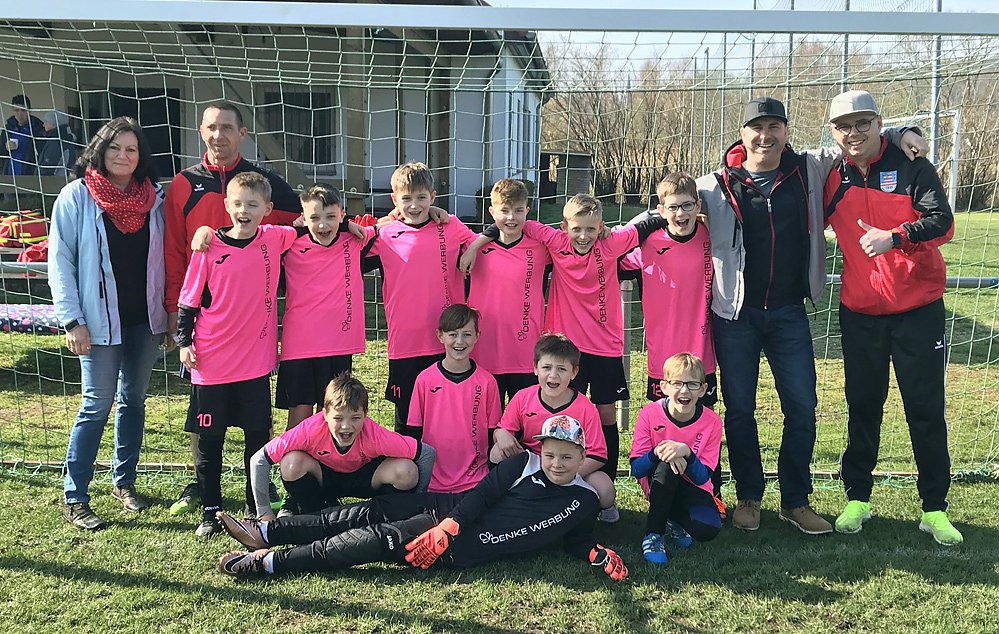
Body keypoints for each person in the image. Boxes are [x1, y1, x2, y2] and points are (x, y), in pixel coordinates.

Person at [697, 96, 928, 534]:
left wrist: (902, 133)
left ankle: (795, 500)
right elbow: (669, 206)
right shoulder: (714, 185)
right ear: (742, 134)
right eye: (756, 128)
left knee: (802, 408)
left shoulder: (810, 167)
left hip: (789, 313)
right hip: (736, 317)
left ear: (786, 131)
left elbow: (857, 140)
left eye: (774, 127)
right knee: (740, 410)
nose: (765, 136)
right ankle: (748, 496)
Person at [215, 414, 628, 583]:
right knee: (356, 515)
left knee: (369, 541)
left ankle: (270, 563)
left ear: (582, 458)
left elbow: (572, 537)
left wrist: (594, 553)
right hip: (446, 512)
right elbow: (482, 496)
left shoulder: (586, 498)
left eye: (566, 457)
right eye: (551, 453)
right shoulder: (523, 463)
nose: (556, 463)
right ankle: (267, 532)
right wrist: (448, 525)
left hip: (456, 546)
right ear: (541, 449)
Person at [465, 193, 668, 522]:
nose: (583, 236)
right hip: (564, 348)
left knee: (604, 415)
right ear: (564, 227)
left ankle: (602, 490)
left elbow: (645, 225)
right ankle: (541, 484)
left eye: (591, 229)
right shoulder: (554, 241)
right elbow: (515, 222)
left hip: (604, 346)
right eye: (577, 229)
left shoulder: (612, 243)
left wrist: (674, 216)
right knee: (556, 413)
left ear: (601, 227)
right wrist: (476, 244)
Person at [822, 90, 962, 546]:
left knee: (925, 409)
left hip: (918, 311)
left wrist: (896, 236)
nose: (854, 133)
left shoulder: (911, 164)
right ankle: (857, 499)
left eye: (863, 122)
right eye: (844, 126)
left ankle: (934, 508)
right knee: (863, 407)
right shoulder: (830, 174)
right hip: (860, 313)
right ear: (833, 132)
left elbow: (942, 221)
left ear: (879, 123)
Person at [165, 101, 301, 517]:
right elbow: (172, 248)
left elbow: (309, 218)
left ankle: (257, 487)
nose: (218, 135)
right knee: (204, 419)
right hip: (206, 330)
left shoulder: (266, 183)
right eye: (211, 127)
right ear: (200, 131)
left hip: (253, 339)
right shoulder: (184, 183)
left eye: (227, 127)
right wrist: (176, 317)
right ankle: (202, 484)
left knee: (254, 424)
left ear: (242, 133)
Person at [49, 116, 170, 530]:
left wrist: (167, 315)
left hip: (144, 322)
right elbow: (60, 263)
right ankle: (75, 496)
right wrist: (72, 320)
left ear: (141, 156)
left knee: (133, 401)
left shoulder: (155, 199)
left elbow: (165, 259)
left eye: (131, 149)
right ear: (99, 151)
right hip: (96, 323)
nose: (123, 155)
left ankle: (124, 481)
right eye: (115, 147)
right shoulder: (76, 196)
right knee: (95, 406)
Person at [620, 172, 724, 513]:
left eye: (688, 205)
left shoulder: (710, 236)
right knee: (662, 427)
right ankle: (660, 499)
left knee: (703, 424)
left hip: (701, 355)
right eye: (673, 207)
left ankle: (709, 493)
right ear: (661, 209)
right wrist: (643, 223)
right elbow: (613, 253)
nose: (681, 214)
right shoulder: (648, 243)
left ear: (698, 205)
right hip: (662, 360)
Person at [362, 162, 478, 431]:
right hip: (405, 342)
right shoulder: (385, 234)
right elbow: (347, 240)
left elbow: (486, 244)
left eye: (421, 198)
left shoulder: (451, 226)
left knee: (446, 413)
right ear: (394, 199)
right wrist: (383, 221)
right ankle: (405, 458)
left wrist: (472, 249)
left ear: (433, 197)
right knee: (407, 417)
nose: (414, 205)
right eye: (406, 199)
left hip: (447, 340)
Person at [247, 373, 435, 518]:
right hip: (325, 479)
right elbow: (259, 459)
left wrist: (419, 501)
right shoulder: (310, 429)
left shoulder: (374, 434)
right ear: (325, 414)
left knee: (407, 471)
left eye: (355, 418)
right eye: (338, 418)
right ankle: (314, 512)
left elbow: (426, 453)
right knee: (290, 463)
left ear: (365, 415)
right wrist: (264, 513)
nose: (346, 426)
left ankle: (385, 514)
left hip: (365, 479)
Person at [276, 184, 375, 431]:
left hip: (338, 343)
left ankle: (327, 457)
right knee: (300, 416)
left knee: (332, 413)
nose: (323, 225)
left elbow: (394, 222)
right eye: (314, 218)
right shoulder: (289, 243)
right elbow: (254, 235)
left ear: (341, 214)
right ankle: (294, 457)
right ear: (303, 217)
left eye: (331, 216)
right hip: (299, 345)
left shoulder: (355, 240)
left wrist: (347, 225)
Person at [490, 333, 617, 522]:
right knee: (496, 452)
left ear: (574, 372)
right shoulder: (523, 398)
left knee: (605, 489)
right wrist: (501, 434)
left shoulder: (585, 408)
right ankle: (501, 500)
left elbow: (598, 456)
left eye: (562, 369)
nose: (553, 375)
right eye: (547, 367)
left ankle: (597, 510)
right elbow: (503, 430)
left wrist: (564, 473)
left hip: (569, 466)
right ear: (535, 368)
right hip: (533, 463)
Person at [630, 353, 723, 564]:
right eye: (677, 383)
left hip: (692, 486)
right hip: (659, 481)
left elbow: (703, 477)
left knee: (707, 528)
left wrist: (686, 453)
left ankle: (673, 519)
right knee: (667, 466)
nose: (684, 390)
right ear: (664, 387)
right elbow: (636, 469)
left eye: (692, 384)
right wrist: (658, 452)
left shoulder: (712, 422)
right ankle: (653, 534)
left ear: (702, 389)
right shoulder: (649, 413)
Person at [465, 178, 550, 404]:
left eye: (518, 211)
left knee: (524, 416)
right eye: (504, 211)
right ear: (491, 211)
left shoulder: (541, 248)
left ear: (527, 211)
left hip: (525, 351)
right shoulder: (473, 246)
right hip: (484, 350)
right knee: (485, 418)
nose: (511, 217)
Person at [406, 304, 502, 493]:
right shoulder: (425, 379)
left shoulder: (487, 382)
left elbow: (494, 433)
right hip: (431, 482)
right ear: (440, 336)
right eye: (453, 334)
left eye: (467, 334)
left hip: (475, 481)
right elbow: (413, 431)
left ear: (477, 336)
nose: (460, 341)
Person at [1, 94, 44, 176]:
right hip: (9, 175)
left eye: (23, 110)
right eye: (16, 110)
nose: (20, 114)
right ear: (12, 111)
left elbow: (44, 154)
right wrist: (6, 147)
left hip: (30, 176)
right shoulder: (8, 128)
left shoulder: (38, 129)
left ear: (29, 110)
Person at [37, 110, 79, 176]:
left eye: (46, 122)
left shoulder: (56, 143)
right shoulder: (67, 140)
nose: (43, 125)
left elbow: (48, 168)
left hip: (53, 181)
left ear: (54, 124)